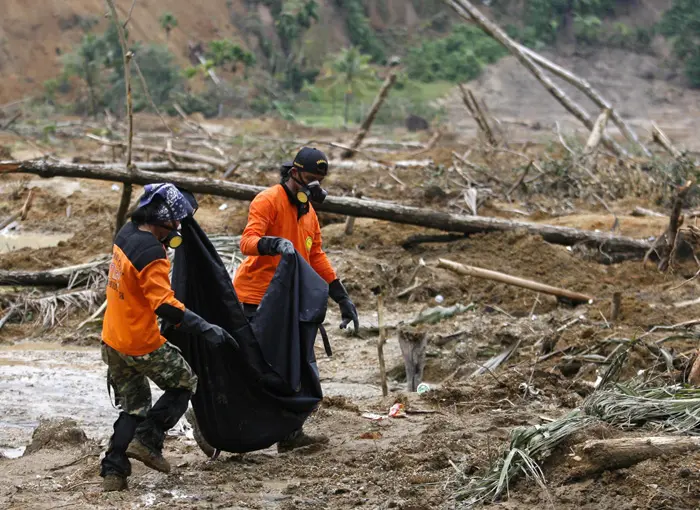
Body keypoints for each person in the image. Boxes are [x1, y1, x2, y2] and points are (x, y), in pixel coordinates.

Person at [100, 183, 238, 492]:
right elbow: (163, 303)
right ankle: (148, 440)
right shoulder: (153, 251)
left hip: (112, 339)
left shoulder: (127, 234)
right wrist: (206, 327)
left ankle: (113, 471)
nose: (177, 228)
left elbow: (139, 293)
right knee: (184, 381)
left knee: (133, 408)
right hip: (140, 342)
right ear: (161, 218)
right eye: (175, 222)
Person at [233, 147, 359, 452]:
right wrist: (274, 243)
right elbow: (246, 243)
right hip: (257, 298)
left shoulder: (310, 214)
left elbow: (315, 256)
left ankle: (289, 434)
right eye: (310, 179)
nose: (314, 186)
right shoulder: (268, 200)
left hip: (289, 302)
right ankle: (220, 426)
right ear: (294, 174)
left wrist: (340, 296)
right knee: (252, 369)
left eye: (319, 180)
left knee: (297, 366)